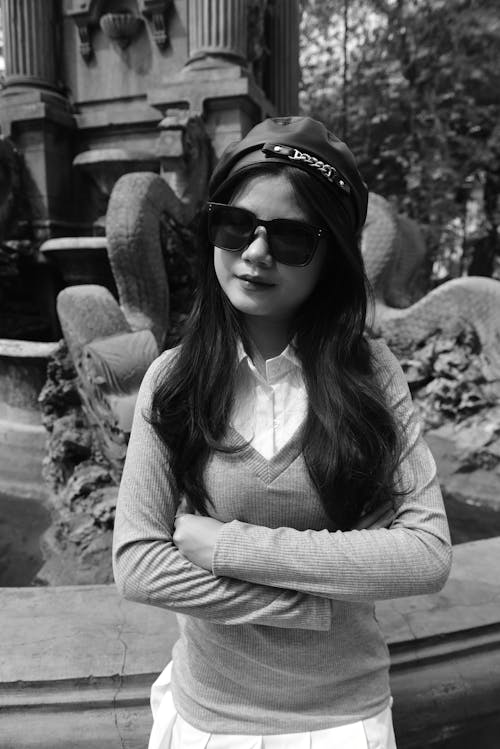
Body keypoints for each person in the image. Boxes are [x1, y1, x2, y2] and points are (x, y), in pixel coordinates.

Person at [112, 116, 452, 749]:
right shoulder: (175, 380)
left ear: (333, 256)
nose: (256, 252)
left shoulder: (371, 374)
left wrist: (224, 547)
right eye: (235, 225)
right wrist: (320, 600)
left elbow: (426, 554)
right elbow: (138, 565)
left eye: (292, 237)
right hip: (208, 716)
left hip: (342, 719)